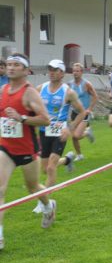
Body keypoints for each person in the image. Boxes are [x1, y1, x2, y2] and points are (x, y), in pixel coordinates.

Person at [0, 53, 55, 250]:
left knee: (32, 187)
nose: (11, 68)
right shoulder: (2, 90)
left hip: (27, 148)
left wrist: (21, 118)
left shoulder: (30, 92)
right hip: (5, 147)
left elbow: (45, 119)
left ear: (25, 70)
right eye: (9, 64)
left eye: (16, 65)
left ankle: (48, 207)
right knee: (0, 190)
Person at [37, 60, 85, 188]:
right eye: (50, 69)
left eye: (55, 70)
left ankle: (45, 202)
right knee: (44, 169)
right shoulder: (41, 88)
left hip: (60, 132)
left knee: (51, 168)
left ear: (62, 73)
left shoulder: (68, 92)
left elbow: (82, 112)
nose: (51, 72)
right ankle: (67, 160)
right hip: (43, 131)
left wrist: (70, 129)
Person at [68, 63, 98, 161]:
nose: (75, 73)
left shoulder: (86, 84)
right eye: (74, 71)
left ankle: (86, 132)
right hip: (74, 112)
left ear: (81, 72)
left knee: (77, 135)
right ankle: (79, 155)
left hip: (84, 113)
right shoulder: (70, 84)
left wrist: (89, 109)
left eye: (77, 71)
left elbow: (95, 96)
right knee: (73, 137)